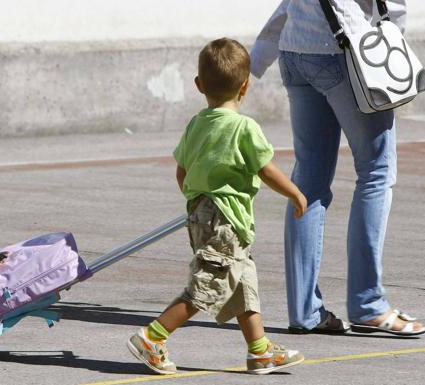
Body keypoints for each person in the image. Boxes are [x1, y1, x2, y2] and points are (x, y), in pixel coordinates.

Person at [127, 37, 308, 375]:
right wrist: (295, 193)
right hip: (226, 221)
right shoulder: (244, 127)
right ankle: (153, 336)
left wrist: (197, 203)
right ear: (246, 86)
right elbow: (265, 170)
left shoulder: (197, 124)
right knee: (207, 286)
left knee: (242, 282)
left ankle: (259, 351)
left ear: (198, 85)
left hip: (202, 215)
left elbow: (181, 172)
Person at [250, 0, 425, 336]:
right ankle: (368, 304)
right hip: (347, 50)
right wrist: (392, 47)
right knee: (376, 174)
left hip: (294, 50)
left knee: (308, 183)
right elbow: (393, 6)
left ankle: (304, 312)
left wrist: (259, 56)